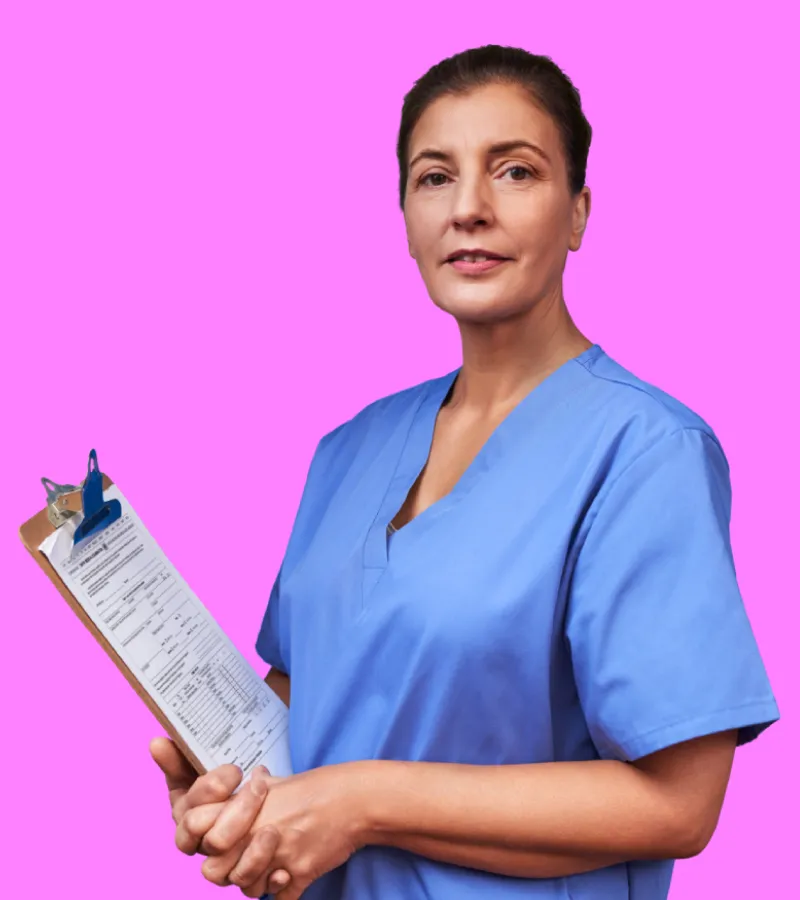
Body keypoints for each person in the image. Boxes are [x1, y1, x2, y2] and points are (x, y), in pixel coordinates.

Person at [149, 45, 779, 900]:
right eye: (434, 178)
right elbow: (304, 709)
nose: (470, 210)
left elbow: (678, 805)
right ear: (405, 215)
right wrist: (235, 796)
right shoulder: (348, 451)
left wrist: (364, 802)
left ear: (579, 212)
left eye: (514, 172)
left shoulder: (644, 452)